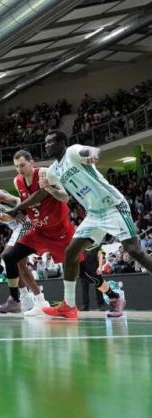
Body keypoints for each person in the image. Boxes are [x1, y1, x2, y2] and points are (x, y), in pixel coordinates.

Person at [35, 130, 152, 318]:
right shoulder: (53, 171)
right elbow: (64, 197)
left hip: (113, 206)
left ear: (62, 143)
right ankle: (69, 306)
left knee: (134, 250)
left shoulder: (72, 151)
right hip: (94, 214)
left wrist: (93, 155)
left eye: (50, 142)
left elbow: (90, 151)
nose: (47, 145)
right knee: (70, 253)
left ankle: (109, 299)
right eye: (45, 143)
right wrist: (48, 188)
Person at [0, 149, 73, 315]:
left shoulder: (46, 173)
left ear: (32, 162)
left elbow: (65, 197)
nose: (20, 169)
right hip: (39, 230)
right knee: (10, 256)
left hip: (59, 230)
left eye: (23, 165)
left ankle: (112, 295)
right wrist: (9, 218)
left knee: (82, 269)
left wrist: (49, 189)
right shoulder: (17, 181)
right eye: (17, 166)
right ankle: (21, 301)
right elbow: (29, 207)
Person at [0, 176, 49, 315]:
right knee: (20, 265)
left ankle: (16, 300)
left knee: (7, 256)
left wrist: (15, 212)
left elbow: (18, 200)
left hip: (26, 223)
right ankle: (37, 301)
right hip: (16, 227)